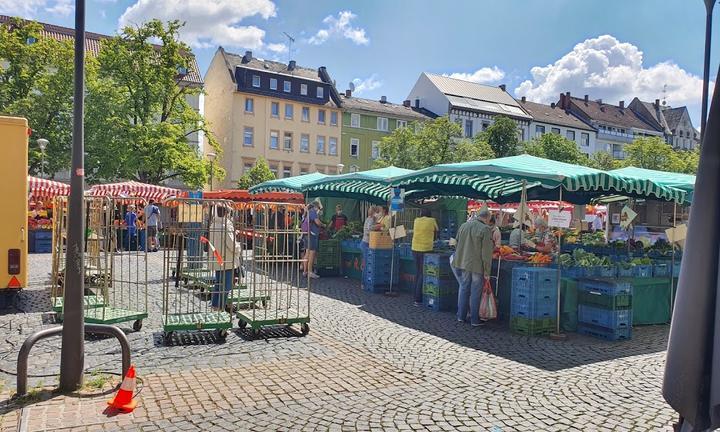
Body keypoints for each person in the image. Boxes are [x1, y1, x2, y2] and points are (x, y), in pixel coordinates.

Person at [452, 208, 494, 327]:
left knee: (464, 288)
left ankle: (461, 315)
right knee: (476, 292)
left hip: (463, 263)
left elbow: (456, 242)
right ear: (486, 218)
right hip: (477, 265)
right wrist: (487, 270)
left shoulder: (464, 225)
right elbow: (486, 253)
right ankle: (474, 319)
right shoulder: (485, 229)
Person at [209, 205, 242, 311]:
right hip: (227, 260)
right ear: (226, 213)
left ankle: (214, 305)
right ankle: (221, 308)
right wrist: (238, 248)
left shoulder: (213, 225)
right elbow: (231, 244)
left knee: (218, 284)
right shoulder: (226, 226)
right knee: (226, 286)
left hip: (217, 258)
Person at [411, 208, 438, 306]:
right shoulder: (432, 220)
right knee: (422, 273)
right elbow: (437, 230)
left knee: (417, 272)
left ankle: (415, 296)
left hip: (414, 248)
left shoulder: (416, 220)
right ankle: (418, 299)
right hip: (426, 249)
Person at [301, 201, 324, 279]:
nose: (319, 210)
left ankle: (305, 271)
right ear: (316, 206)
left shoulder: (306, 212)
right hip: (312, 235)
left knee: (307, 253)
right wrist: (323, 224)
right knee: (312, 253)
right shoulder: (313, 212)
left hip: (306, 234)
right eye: (319, 208)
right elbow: (317, 222)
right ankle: (310, 272)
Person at [360, 205, 377, 289]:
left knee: (366, 263)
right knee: (366, 264)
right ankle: (363, 283)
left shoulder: (369, 218)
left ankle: (364, 282)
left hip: (366, 242)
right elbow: (369, 229)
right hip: (366, 242)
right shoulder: (370, 219)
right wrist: (378, 226)